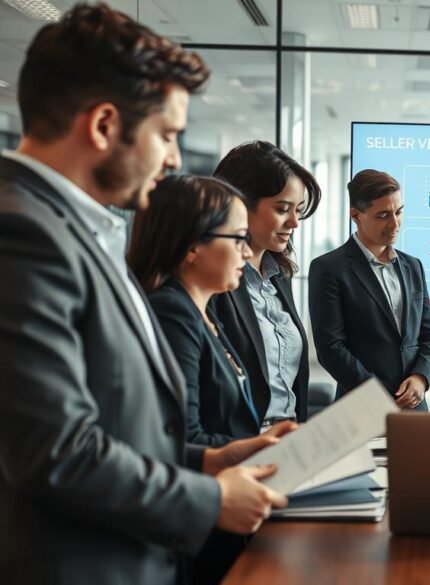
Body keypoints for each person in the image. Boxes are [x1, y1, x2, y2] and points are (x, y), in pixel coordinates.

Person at [0, 5, 291, 584]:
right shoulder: (23, 233)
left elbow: (115, 424)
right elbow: (56, 451)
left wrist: (207, 461)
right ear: (104, 125)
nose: (176, 158)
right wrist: (206, 499)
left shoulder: (77, 227)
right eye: (166, 135)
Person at [128, 175, 264, 446]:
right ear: (192, 246)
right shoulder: (171, 313)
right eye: (239, 238)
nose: (247, 252)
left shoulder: (204, 310)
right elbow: (185, 440)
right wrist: (260, 447)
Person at [309, 169, 430, 409]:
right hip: (361, 407)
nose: (395, 223)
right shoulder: (328, 268)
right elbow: (330, 348)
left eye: (399, 212)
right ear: (356, 215)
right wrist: (375, 393)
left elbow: (429, 334)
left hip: (414, 407)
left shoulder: (413, 266)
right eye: (383, 215)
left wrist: (421, 378)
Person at [211, 141, 322, 426]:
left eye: (298, 209)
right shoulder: (214, 281)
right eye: (283, 209)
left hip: (290, 439)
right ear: (238, 203)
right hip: (241, 447)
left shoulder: (279, 276)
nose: (294, 222)